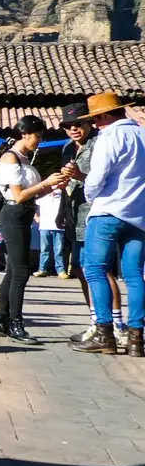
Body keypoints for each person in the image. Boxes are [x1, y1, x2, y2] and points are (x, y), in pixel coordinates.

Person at [70, 94, 145, 355]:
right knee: (134, 274)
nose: (94, 123)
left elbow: (97, 177)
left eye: (94, 118)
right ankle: (136, 337)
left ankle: (104, 333)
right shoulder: (142, 134)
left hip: (107, 211)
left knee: (95, 269)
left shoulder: (109, 137)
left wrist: (91, 195)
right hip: (138, 214)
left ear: (103, 116)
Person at [0, 116, 67, 345]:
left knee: (14, 271)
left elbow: (32, 194)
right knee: (21, 271)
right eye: (37, 136)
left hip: (23, 215)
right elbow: (19, 195)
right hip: (13, 214)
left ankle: (1, 319)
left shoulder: (25, 158)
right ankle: (16, 322)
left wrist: (53, 185)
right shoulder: (10, 157)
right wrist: (45, 183)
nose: (40, 140)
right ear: (25, 134)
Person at [60, 102, 125, 346]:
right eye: (68, 125)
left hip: (97, 214)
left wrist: (79, 177)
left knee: (101, 270)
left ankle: (116, 325)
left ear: (90, 123)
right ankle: (97, 321)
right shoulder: (67, 149)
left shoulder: (101, 143)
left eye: (78, 124)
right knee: (80, 269)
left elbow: (108, 183)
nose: (73, 129)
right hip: (73, 216)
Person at [34, 186, 67, 278]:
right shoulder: (43, 195)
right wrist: (36, 216)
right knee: (44, 249)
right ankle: (42, 269)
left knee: (59, 250)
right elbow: (34, 205)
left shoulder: (62, 195)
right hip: (45, 225)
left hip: (59, 226)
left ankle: (61, 270)